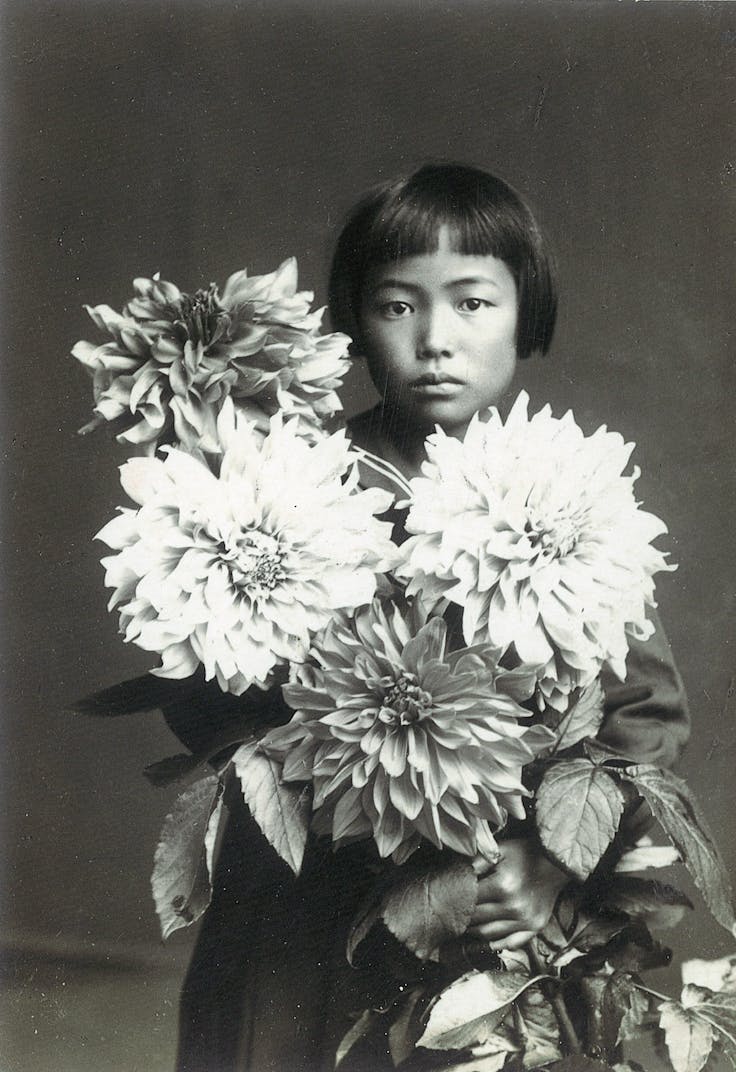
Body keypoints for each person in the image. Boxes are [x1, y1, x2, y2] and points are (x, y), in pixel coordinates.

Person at [171, 163, 690, 1072]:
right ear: (355, 323)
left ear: (526, 315)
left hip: (487, 907)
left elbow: (642, 716)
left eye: (473, 303)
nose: (436, 340)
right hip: (309, 903)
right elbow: (206, 694)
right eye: (398, 305)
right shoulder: (292, 479)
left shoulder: (570, 493)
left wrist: (550, 864)